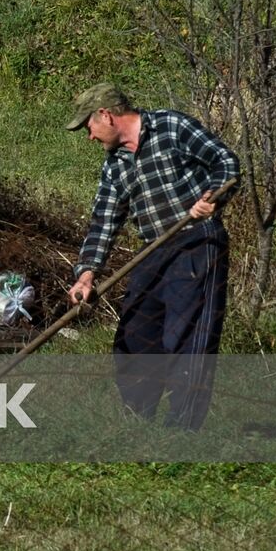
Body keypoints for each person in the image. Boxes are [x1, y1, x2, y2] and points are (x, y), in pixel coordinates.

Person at [65, 82, 239, 430]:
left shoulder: (172, 127)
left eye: (89, 127)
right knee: (134, 336)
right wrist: (87, 274)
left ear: (106, 115)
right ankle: (138, 423)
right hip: (154, 251)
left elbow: (226, 163)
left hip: (197, 243)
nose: (90, 137)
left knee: (186, 340)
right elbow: (103, 221)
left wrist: (213, 197)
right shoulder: (115, 165)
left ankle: (181, 432)